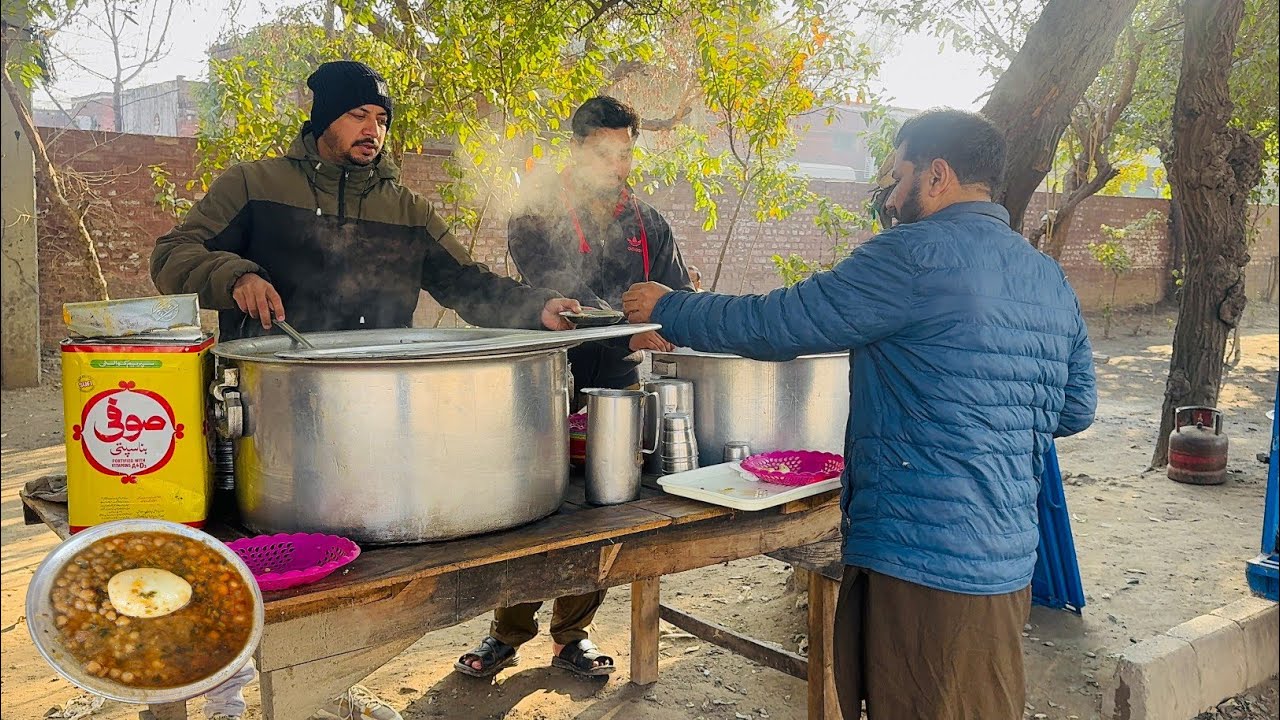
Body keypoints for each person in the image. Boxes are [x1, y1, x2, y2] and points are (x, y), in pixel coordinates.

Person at [621, 109, 1097, 720]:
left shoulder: (913, 255)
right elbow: (1075, 406)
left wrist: (674, 306)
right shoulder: (1048, 276)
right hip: (1005, 562)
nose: (890, 197)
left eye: (898, 177)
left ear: (937, 174)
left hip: (921, 559)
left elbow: (780, 323)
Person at [151, 60, 580, 720]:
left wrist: (538, 309)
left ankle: (317, 691)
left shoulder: (402, 207)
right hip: (273, 406)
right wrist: (234, 274)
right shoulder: (255, 184)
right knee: (258, 563)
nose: (371, 130)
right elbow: (172, 253)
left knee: (364, 568)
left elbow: (468, 285)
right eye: (358, 115)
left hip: (379, 423)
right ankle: (232, 693)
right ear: (324, 117)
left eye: (381, 120)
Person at [454, 96, 693, 681]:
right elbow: (557, 293)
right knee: (537, 507)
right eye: (605, 151)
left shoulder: (648, 222)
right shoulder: (537, 214)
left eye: (627, 151)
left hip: (617, 384)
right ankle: (506, 633)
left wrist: (667, 321)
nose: (619, 163)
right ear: (578, 149)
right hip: (550, 378)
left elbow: (674, 293)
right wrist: (627, 327)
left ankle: (573, 637)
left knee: (603, 506)